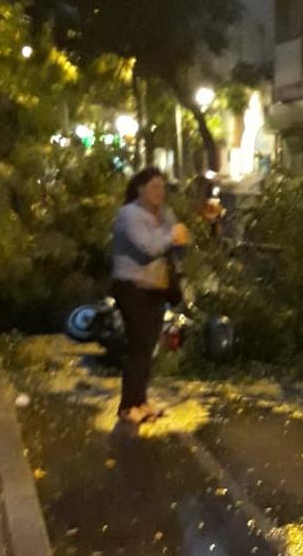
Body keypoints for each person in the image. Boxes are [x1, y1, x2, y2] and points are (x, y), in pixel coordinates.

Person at [112, 167, 191, 425]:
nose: (160, 193)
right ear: (140, 189)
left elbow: (177, 245)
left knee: (148, 346)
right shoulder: (129, 214)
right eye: (154, 187)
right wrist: (172, 235)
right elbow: (148, 246)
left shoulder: (165, 214)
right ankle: (127, 406)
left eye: (162, 188)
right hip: (132, 287)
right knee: (137, 345)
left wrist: (179, 240)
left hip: (157, 286)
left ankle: (141, 401)